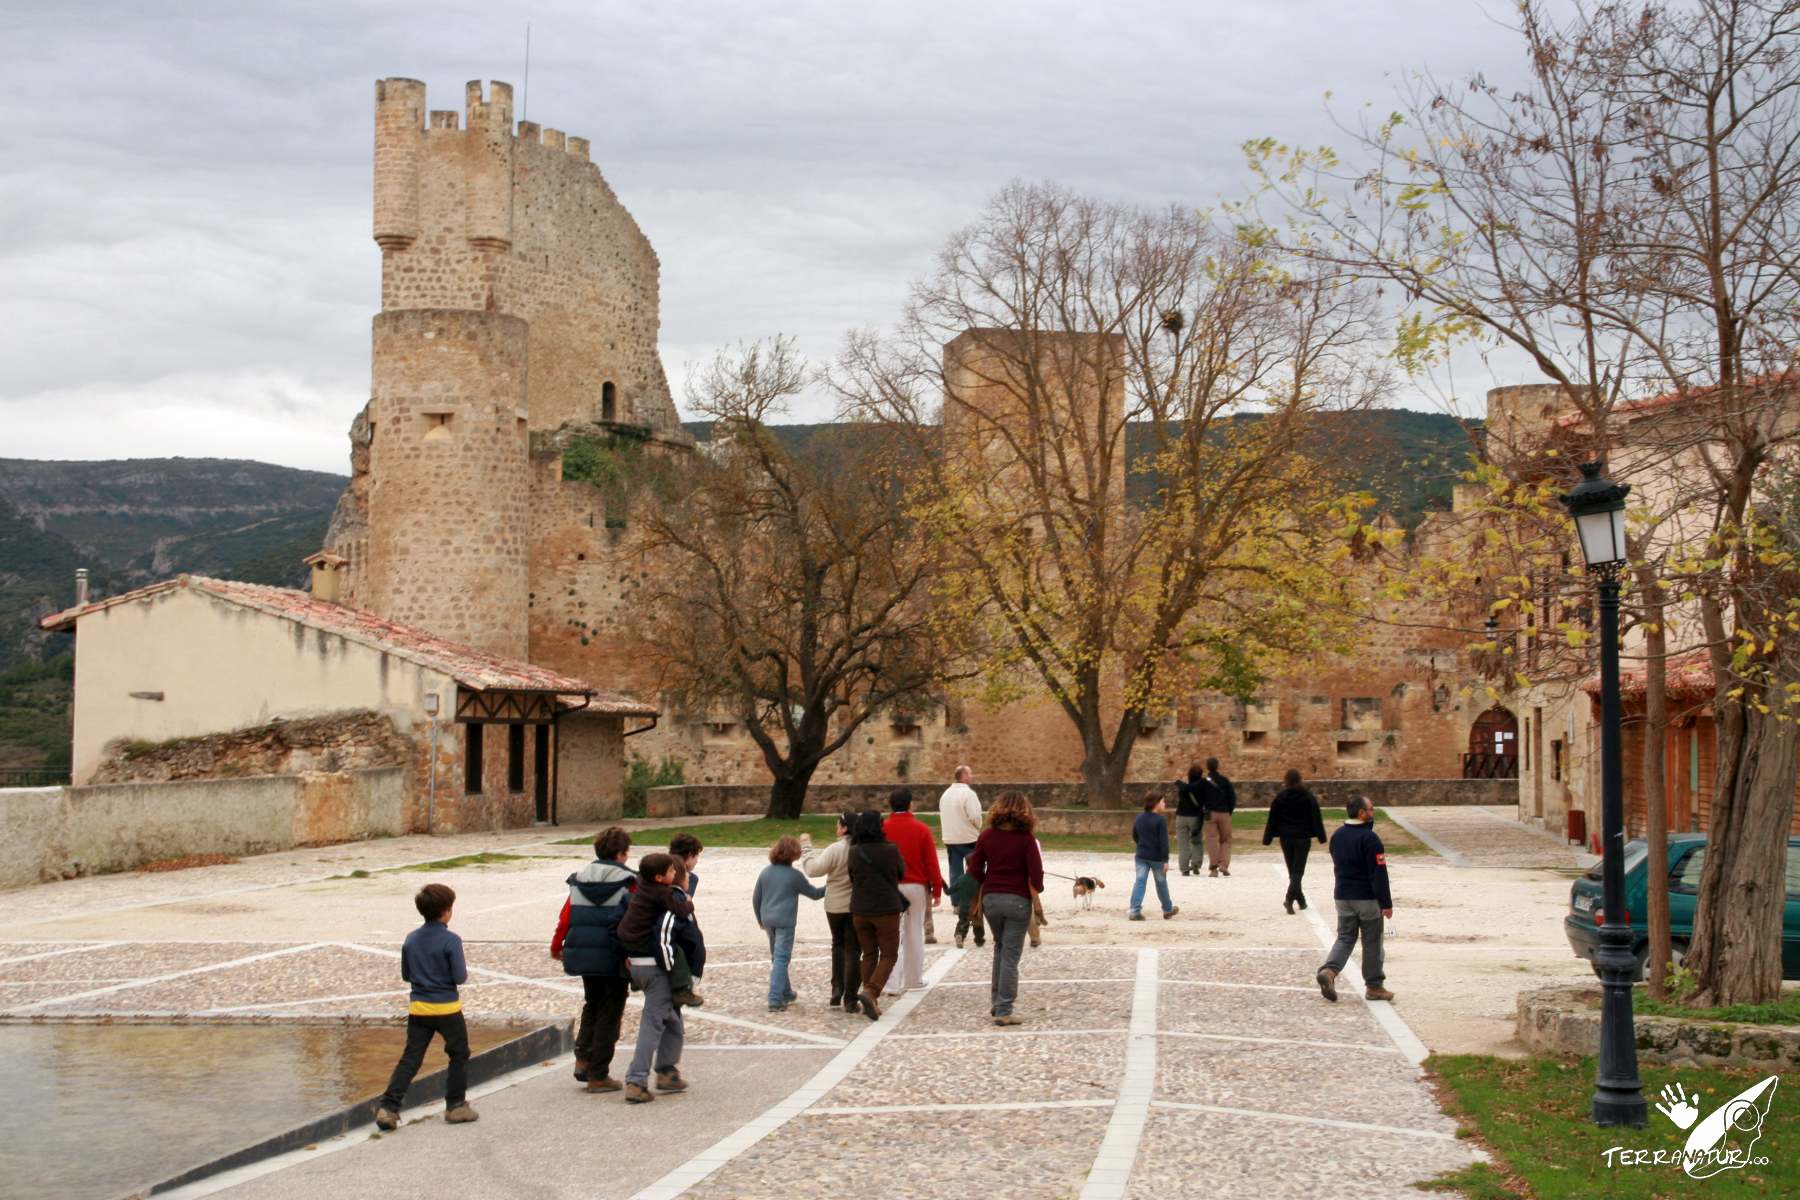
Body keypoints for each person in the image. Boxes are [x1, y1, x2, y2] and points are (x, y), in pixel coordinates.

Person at [374, 883, 477, 1128]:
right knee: (459, 1053)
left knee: (411, 1058)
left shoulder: (411, 939)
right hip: (447, 1009)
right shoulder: (451, 940)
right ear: (446, 911)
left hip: (419, 1008)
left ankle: (388, 1108)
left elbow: (406, 975)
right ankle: (456, 1106)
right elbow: (459, 976)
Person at [550, 826, 636, 1092]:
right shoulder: (629, 881)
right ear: (621, 854)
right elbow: (633, 920)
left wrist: (557, 945)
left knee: (592, 1004)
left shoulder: (579, 879)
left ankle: (583, 1059)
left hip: (584, 951)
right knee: (610, 1012)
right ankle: (598, 1074)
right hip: (613, 954)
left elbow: (566, 916)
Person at [617, 852, 696, 1102]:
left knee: (671, 1018)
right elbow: (677, 922)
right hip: (654, 966)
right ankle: (636, 1081)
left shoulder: (641, 889)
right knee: (652, 1023)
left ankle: (667, 1071)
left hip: (635, 961)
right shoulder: (666, 896)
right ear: (661, 877)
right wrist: (689, 903)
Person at [965, 791, 1045, 1026]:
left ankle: (996, 1001)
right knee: (1010, 955)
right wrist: (1037, 888)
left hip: (991, 899)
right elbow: (1036, 874)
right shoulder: (1026, 839)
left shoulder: (987, 836)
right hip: (1017, 900)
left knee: (1000, 948)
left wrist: (987, 880)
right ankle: (1004, 1009)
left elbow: (974, 869)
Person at [1317, 795, 1395, 1003]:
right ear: (1361, 813)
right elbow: (1378, 873)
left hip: (1342, 896)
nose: (1373, 812)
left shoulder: (1338, 835)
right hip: (1366, 898)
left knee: (1345, 938)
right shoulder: (1370, 839)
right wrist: (1386, 903)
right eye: (1371, 809)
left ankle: (1329, 971)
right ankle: (1374, 986)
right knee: (1372, 942)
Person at [753, 835, 826, 1011]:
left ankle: (786, 992)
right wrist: (831, 886)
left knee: (777, 957)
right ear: (794, 855)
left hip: (768, 920)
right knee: (782, 958)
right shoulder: (795, 876)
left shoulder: (766, 872)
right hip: (785, 921)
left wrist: (760, 919)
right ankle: (775, 998)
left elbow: (756, 898)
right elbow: (815, 894)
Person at [800, 813, 862, 1013]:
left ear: (844, 828)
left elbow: (813, 870)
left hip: (834, 905)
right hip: (854, 905)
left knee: (838, 945)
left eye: (838, 825)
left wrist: (806, 847)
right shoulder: (860, 848)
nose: (836, 828)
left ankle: (837, 989)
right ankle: (850, 997)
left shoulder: (835, 849)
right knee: (854, 950)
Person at [884, 788, 945, 993]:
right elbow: (931, 862)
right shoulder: (921, 829)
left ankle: (891, 982)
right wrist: (937, 889)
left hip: (890, 886)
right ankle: (913, 978)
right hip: (916, 886)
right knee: (914, 932)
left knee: (892, 934)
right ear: (910, 805)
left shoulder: (883, 828)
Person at [847, 809, 905, 1020]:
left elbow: (852, 877)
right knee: (889, 954)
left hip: (860, 909)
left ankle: (870, 1000)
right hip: (886, 909)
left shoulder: (854, 851)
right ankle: (871, 993)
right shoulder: (891, 850)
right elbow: (901, 873)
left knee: (869, 954)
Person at [1262, 769, 1327, 915]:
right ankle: (1289, 899)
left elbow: (1273, 818)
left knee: (1293, 870)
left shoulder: (1280, 797)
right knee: (1297, 871)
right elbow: (1315, 816)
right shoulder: (1307, 796)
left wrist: (1267, 838)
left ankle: (1301, 900)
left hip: (1286, 838)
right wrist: (1321, 836)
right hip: (1302, 837)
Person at [667, 833, 707, 1005]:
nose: (697, 861)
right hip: (675, 944)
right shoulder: (685, 878)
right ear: (689, 855)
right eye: (696, 856)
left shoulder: (660, 866)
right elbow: (681, 906)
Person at [1128, 793, 1178, 921]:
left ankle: (1134, 911)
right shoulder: (1160, 820)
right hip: (1157, 858)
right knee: (1161, 884)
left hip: (1141, 856)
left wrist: (1142, 845)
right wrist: (1165, 860)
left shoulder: (1139, 817)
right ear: (1156, 804)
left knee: (1140, 882)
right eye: (1163, 802)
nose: (1164, 804)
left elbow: (1135, 835)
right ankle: (1167, 909)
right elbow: (1164, 842)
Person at [938, 765, 984, 883]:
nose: (972, 776)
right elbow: (975, 816)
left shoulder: (945, 794)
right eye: (970, 774)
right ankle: (974, 892)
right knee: (974, 870)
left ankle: (956, 894)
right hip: (968, 839)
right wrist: (978, 826)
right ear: (965, 776)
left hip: (951, 839)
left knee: (955, 873)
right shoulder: (969, 794)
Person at [1202, 757, 1237, 876]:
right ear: (1217, 766)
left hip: (1210, 813)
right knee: (1226, 840)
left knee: (1211, 840)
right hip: (1224, 813)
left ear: (1207, 767)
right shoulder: (1225, 780)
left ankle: (1213, 867)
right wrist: (1229, 810)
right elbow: (1232, 797)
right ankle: (1224, 865)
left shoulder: (1204, 782)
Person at [1174, 762, 1208, 877]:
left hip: (1181, 816)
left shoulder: (1183, 787)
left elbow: (1183, 790)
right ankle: (1195, 864)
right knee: (1197, 841)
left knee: (1183, 844)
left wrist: (1180, 781)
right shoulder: (1202, 787)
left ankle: (1184, 868)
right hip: (1194, 817)